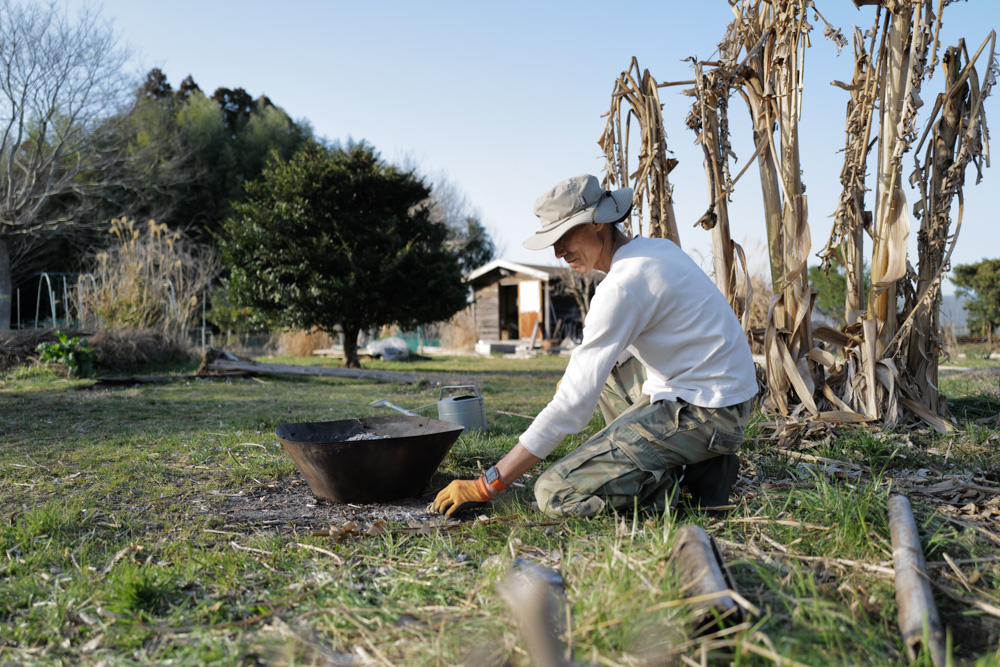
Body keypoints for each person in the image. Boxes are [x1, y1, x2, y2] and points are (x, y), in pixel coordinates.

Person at [432, 174, 758, 518]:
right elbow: (618, 351)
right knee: (598, 376)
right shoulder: (655, 250)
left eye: (564, 236)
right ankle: (703, 470)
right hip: (724, 398)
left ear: (598, 224)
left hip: (709, 413)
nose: (558, 252)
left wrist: (487, 484)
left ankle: (670, 487)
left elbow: (571, 407)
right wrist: (573, 378)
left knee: (553, 493)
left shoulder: (622, 285)